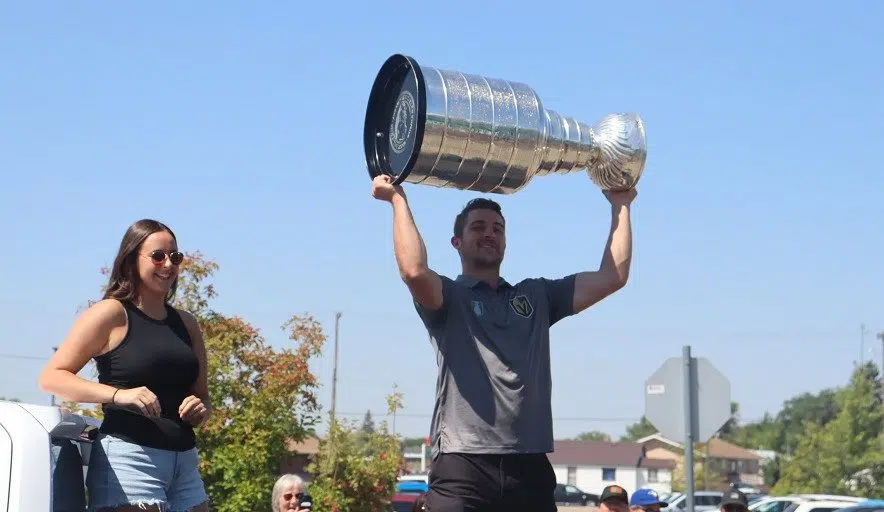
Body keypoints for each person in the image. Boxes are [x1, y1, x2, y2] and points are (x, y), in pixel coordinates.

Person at [370, 175, 637, 511]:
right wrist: (397, 200)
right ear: (457, 242)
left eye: (498, 228)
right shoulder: (449, 298)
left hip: (528, 464)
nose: (489, 233)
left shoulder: (537, 296)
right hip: (463, 465)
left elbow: (612, 277)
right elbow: (413, 270)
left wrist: (621, 205)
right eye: (478, 227)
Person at [38, 219, 212, 512]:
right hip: (130, 461)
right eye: (157, 255)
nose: (168, 264)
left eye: (175, 256)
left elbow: (202, 395)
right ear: (131, 260)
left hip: (184, 464)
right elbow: (52, 378)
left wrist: (200, 409)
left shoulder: (187, 323)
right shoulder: (111, 313)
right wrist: (120, 395)